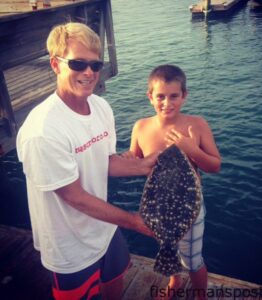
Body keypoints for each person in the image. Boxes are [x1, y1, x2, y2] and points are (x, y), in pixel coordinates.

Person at [16, 22, 156, 300]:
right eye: (78, 63)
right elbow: (75, 196)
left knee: (115, 280)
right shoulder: (43, 131)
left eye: (96, 64)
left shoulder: (101, 107)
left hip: (103, 228)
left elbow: (104, 161)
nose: (89, 72)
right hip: (70, 246)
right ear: (56, 65)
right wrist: (134, 221)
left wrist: (144, 165)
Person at [125, 64, 221, 300]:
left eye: (174, 96)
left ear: (184, 96)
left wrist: (191, 149)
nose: (167, 103)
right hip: (157, 206)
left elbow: (214, 166)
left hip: (190, 207)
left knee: (192, 260)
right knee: (167, 247)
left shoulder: (197, 125)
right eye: (160, 96)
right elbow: (134, 161)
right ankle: (174, 281)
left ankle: (201, 296)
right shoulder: (141, 127)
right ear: (150, 97)